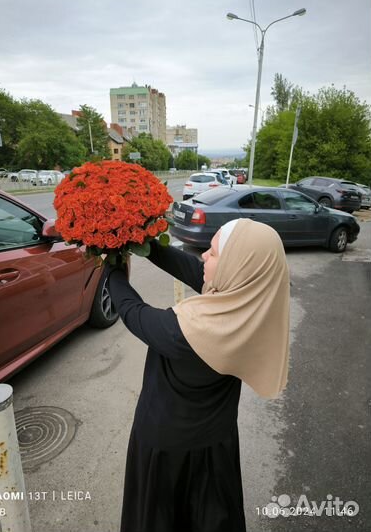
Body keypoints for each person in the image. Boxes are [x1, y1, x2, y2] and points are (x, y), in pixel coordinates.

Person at [105, 218, 290, 532]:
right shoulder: (251, 304)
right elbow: (189, 267)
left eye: (214, 253)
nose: (203, 255)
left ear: (237, 268)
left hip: (166, 450)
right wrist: (140, 240)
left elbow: (132, 311)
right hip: (216, 445)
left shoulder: (189, 330)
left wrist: (109, 265)